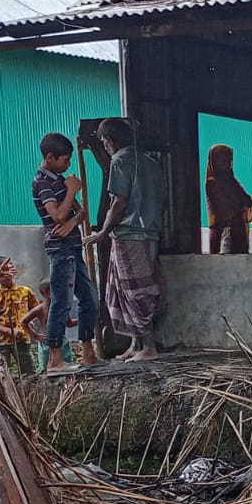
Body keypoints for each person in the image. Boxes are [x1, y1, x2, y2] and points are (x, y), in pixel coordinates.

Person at [86, 117, 165, 362]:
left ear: (110, 140)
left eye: (104, 141)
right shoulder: (151, 163)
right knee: (126, 287)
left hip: (130, 234)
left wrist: (102, 232)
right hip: (150, 231)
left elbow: (119, 202)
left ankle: (148, 347)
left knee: (135, 288)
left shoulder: (120, 161)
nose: (105, 146)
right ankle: (135, 343)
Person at [33, 132, 100, 376]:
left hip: (73, 246)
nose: (68, 164)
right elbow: (57, 215)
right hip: (60, 250)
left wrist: (72, 224)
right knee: (61, 302)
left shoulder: (60, 180)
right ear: (49, 157)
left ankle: (88, 352)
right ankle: (55, 359)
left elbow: (80, 214)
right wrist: (71, 190)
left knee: (90, 299)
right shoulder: (43, 182)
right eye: (65, 159)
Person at [0, 257, 39, 375]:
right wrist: (9, 330)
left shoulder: (25, 291)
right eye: (0, 271)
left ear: (14, 271)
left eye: (8, 269)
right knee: (3, 373)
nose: (5, 274)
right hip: (3, 341)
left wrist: (30, 321)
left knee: (28, 371)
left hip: (22, 338)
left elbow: (37, 309)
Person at [205, 143, 252, 255]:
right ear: (215, 162)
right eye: (223, 161)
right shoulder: (212, 183)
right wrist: (240, 206)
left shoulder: (232, 181)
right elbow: (226, 208)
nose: (226, 164)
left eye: (228, 160)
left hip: (238, 232)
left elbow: (247, 200)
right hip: (222, 233)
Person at [24, 279, 75, 372]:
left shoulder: (62, 307)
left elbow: (69, 323)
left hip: (61, 341)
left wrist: (84, 319)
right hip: (46, 342)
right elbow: (24, 322)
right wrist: (36, 335)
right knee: (45, 368)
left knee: (67, 366)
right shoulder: (40, 309)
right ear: (47, 293)